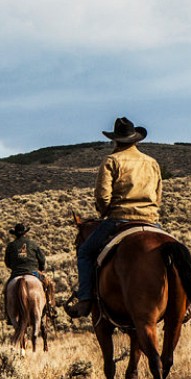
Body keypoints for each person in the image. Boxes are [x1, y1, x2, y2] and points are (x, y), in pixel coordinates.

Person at [65, 117, 163, 319]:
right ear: (136, 140)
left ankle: (85, 300)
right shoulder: (151, 163)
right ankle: (186, 305)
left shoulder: (111, 161)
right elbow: (158, 195)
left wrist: (104, 211)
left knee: (84, 252)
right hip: (151, 220)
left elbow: (103, 196)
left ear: (115, 140)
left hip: (120, 219)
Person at [3, 223, 52, 324]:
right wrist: (41, 268)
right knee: (49, 284)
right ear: (25, 233)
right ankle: (49, 308)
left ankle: (9, 316)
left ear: (15, 234)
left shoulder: (11, 246)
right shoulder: (33, 244)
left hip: (16, 273)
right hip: (33, 271)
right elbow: (42, 259)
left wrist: (15, 267)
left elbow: (7, 262)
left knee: (6, 290)